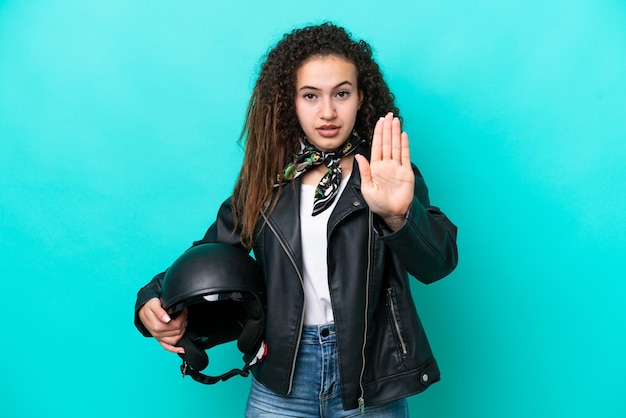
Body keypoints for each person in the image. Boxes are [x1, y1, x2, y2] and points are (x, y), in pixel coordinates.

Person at [135, 22, 458, 417]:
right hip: (283, 371)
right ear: (290, 102)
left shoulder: (386, 171)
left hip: (369, 373)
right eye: (310, 95)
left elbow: (439, 263)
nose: (327, 112)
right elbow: (214, 251)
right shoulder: (266, 179)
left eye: (342, 93)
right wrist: (152, 296)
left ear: (361, 98)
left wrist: (397, 215)